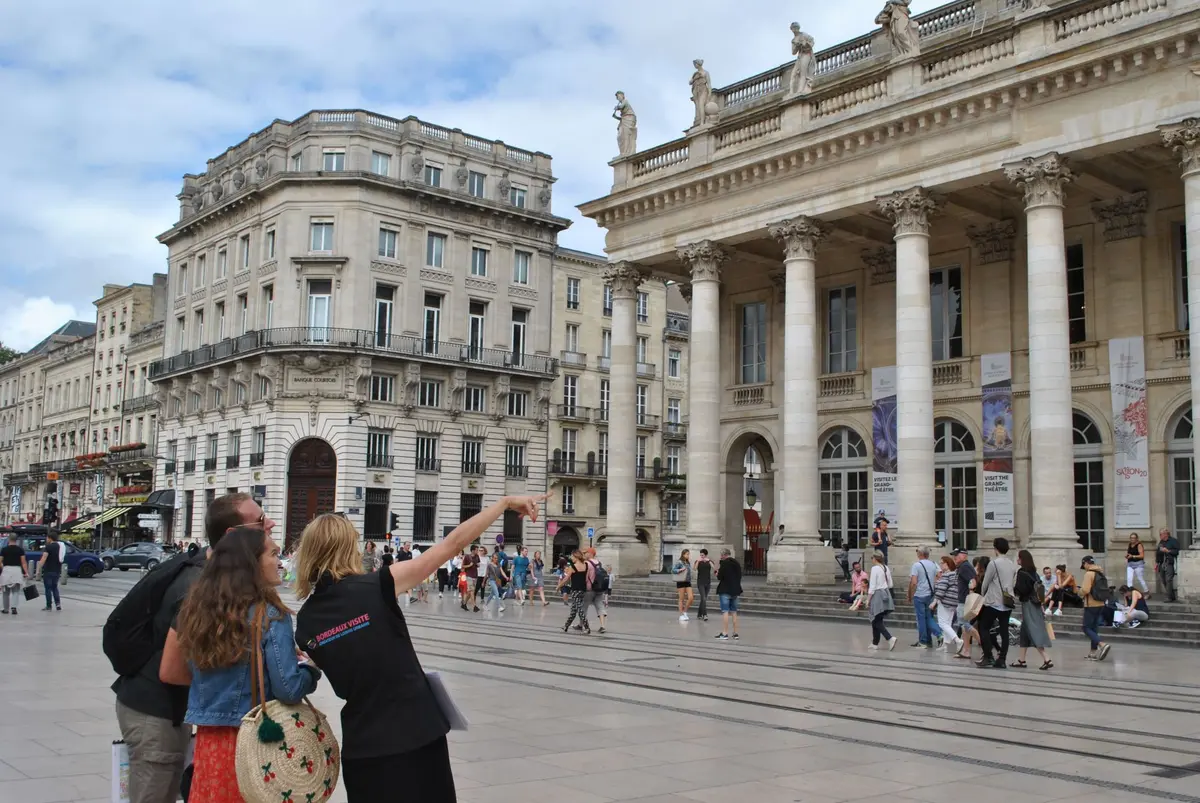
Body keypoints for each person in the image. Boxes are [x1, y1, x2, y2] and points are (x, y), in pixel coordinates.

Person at [293, 493, 549, 802]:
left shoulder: (306, 622)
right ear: (348, 547)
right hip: (415, 734)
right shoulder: (378, 585)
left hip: (363, 747)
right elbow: (452, 544)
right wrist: (504, 504)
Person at [114, 492, 273, 803]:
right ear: (233, 536)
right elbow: (172, 670)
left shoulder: (209, 573)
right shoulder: (199, 586)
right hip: (154, 713)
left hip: (165, 709)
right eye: (260, 521)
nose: (271, 524)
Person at [162, 527, 320, 802]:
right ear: (253, 563)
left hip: (210, 744)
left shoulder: (198, 610)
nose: (280, 562)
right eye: (273, 554)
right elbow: (288, 689)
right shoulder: (270, 615)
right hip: (255, 745)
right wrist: (309, 671)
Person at [975, 537, 1016, 670]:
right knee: (1004, 631)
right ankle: (1002, 658)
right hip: (1007, 600)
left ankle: (988, 656)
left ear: (995, 548)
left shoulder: (994, 563)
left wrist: (982, 595)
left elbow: (986, 582)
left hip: (993, 601)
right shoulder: (1011, 563)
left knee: (984, 627)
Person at [1011, 549, 1053, 670]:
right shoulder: (1034, 572)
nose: (1017, 560)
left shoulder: (1022, 572)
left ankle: (1046, 658)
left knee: (1033, 630)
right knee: (1025, 631)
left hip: (1028, 604)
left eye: (1018, 558)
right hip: (1035, 603)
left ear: (1022, 559)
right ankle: (1021, 660)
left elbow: (1021, 590)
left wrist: (1012, 590)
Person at [907, 545, 943, 649]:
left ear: (921, 553)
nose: (917, 553)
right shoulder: (933, 563)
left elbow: (914, 582)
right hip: (930, 594)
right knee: (929, 617)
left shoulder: (916, 565)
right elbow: (939, 575)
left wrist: (911, 594)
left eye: (917, 551)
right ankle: (929, 640)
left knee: (921, 619)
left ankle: (924, 641)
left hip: (920, 595)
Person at [1079, 555, 1113, 661]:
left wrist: (1078, 593)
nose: (1084, 567)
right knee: (1094, 628)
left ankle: (1102, 644)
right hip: (1101, 603)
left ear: (1086, 563)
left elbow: (1085, 590)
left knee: (1086, 627)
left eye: (1084, 565)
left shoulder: (1089, 574)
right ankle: (1093, 653)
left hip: (1091, 604)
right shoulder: (1100, 573)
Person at [930, 555, 962, 653]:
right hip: (953, 602)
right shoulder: (955, 574)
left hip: (945, 602)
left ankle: (957, 640)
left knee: (943, 623)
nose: (940, 565)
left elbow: (941, 590)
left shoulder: (946, 575)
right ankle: (945, 645)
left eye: (942, 563)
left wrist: (934, 602)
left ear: (947, 564)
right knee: (948, 623)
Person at [867, 550, 896, 651]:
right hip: (886, 593)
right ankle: (875, 642)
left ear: (875, 558)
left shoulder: (875, 568)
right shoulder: (885, 567)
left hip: (877, 594)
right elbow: (890, 584)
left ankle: (889, 638)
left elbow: (872, 586)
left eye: (872, 558)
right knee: (877, 618)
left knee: (876, 619)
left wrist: (868, 599)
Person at [559, 550, 591, 634]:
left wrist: (559, 586)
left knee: (580, 610)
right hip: (583, 589)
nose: (571, 558)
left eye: (572, 556)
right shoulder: (585, 565)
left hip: (576, 590)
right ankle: (566, 626)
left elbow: (566, 578)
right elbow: (586, 578)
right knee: (574, 609)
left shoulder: (573, 567)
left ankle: (587, 627)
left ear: (576, 557)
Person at [714, 548, 743, 640]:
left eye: (721, 555)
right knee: (734, 612)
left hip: (725, 590)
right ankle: (735, 633)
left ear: (723, 555)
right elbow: (739, 576)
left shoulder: (724, 564)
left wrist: (717, 573)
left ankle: (725, 633)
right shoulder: (737, 563)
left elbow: (720, 577)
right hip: (735, 590)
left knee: (725, 611)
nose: (720, 557)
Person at [35, 529, 65, 611]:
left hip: (48, 570)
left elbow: (43, 558)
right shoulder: (60, 546)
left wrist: (38, 569)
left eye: (47, 538)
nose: (46, 539)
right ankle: (58, 604)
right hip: (57, 570)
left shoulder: (48, 547)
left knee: (48, 588)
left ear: (50, 538)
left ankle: (49, 605)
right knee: (55, 587)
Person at [1, 533, 30, 615]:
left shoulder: (4, 549)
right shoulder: (20, 550)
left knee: (5, 592)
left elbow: (0, 561)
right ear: (16, 540)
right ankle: (14, 608)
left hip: (6, 570)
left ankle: (6, 609)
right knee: (16, 591)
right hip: (17, 570)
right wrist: (26, 572)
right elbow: (23, 562)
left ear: (9, 539)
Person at [1156, 528, 1180, 603]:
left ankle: (1169, 597)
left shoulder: (1173, 541)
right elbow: (1157, 552)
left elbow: (1177, 551)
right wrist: (1156, 562)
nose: (1160, 536)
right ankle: (1172, 596)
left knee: (1169, 580)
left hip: (1169, 563)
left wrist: (1168, 551)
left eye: (1161, 534)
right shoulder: (1161, 542)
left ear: (1166, 534)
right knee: (1163, 580)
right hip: (1161, 563)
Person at [673, 549, 694, 622]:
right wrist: (680, 570)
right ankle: (681, 615)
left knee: (691, 597)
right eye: (687, 554)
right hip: (681, 581)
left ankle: (685, 611)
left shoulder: (687, 562)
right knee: (681, 599)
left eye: (689, 554)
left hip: (688, 582)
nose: (688, 555)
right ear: (683, 554)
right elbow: (673, 570)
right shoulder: (679, 562)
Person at [694, 548, 715, 621]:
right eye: (700, 555)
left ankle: (699, 614)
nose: (701, 556)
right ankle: (705, 615)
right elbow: (694, 568)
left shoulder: (709, 561)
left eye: (702, 555)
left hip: (708, 582)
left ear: (705, 555)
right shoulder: (698, 561)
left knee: (703, 599)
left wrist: (708, 560)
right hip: (700, 582)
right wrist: (698, 561)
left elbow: (714, 568)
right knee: (703, 598)